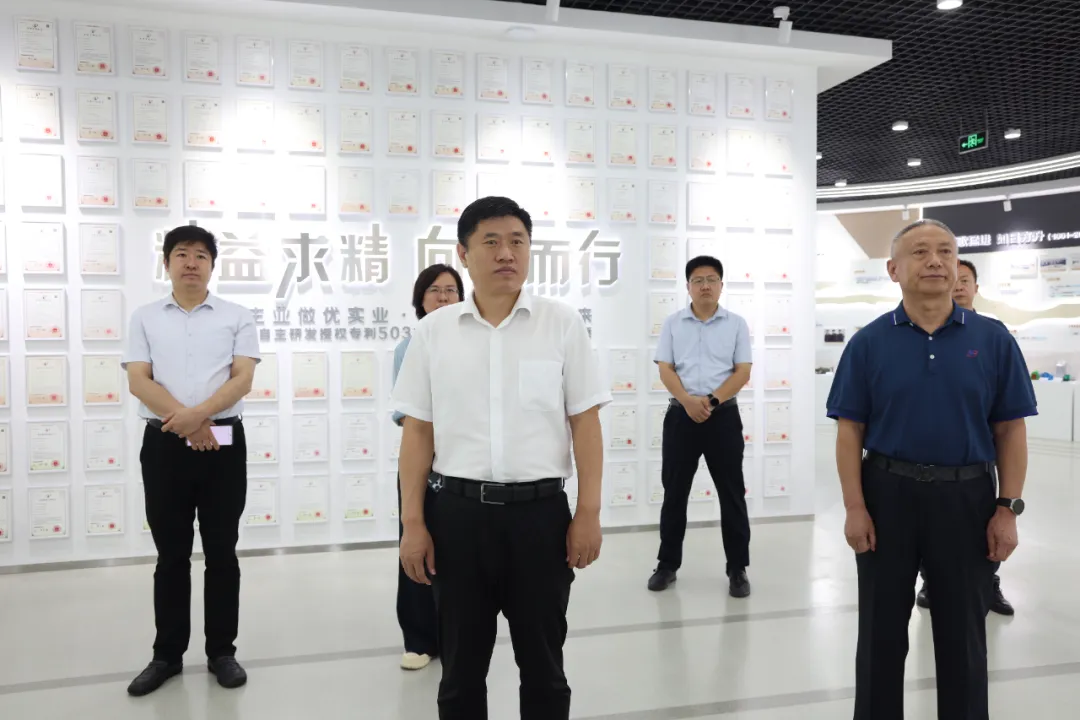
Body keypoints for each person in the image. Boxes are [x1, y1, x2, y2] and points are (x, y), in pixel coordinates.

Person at [392, 196, 609, 720]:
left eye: (517, 241)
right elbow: (418, 433)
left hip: (540, 519)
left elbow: (585, 422)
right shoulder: (433, 333)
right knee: (460, 673)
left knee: (544, 667)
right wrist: (413, 523)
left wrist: (588, 513)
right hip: (457, 519)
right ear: (464, 254)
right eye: (491, 241)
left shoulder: (561, 324)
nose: (506, 253)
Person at [827, 219, 1035, 720]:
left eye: (945, 251)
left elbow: (1010, 431)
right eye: (920, 252)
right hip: (886, 496)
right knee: (880, 634)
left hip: (966, 500)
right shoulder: (869, 343)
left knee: (963, 637)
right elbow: (850, 431)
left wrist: (1007, 509)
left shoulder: (993, 340)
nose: (936, 261)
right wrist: (855, 507)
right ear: (893, 269)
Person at [123, 225, 260, 696]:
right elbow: (139, 381)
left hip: (223, 437)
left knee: (222, 551)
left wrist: (198, 418)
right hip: (164, 440)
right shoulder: (144, 317)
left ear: (212, 265)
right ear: (166, 263)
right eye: (181, 253)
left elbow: (242, 379)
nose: (191, 262)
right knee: (171, 555)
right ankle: (167, 655)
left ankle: (222, 651)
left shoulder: (237, 316)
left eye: (201, 255)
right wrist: (188, 422)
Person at [647, 255, 753, 598]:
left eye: (711, 279)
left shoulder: (736, 324)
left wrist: (711, 401)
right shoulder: (673, 323)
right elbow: (665, 368)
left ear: (721, 285)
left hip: (723, 417)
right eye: (698, 280)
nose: (705, 285)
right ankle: (667, 565)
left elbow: (742, 371)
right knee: (674, 493)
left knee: (732, 494)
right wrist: (688, 401)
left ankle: (737, 568)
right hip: (681, 416)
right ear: (688, 286)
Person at [915, 258, 1014, 616]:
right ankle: (930, 579)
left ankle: (988, 583)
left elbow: (1008, 410)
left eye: (965, 280)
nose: (958, 285)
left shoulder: (993, 333)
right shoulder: (919, 331)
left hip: (977, 454)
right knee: (926, 528)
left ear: (975, 288)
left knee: (984, 529)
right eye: (955, 278)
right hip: (926, 455)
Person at [391, 263, 465, 670]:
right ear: (420, 299)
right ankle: (419, 640)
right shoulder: (410, 347)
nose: (443, 297)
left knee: (458, 559)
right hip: (424, 467)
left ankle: (456, 637)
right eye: (434, 290)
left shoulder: (475, 343)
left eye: (451, 290)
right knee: (416, 550)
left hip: (464, 470)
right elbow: (409, 417)